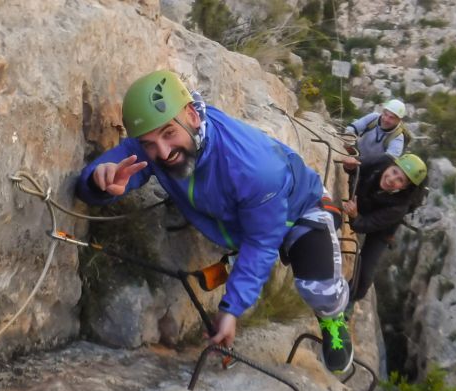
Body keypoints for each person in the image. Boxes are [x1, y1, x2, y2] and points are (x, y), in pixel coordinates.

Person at [75, 70, 353, 373]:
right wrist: (98, 183)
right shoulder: (156, 146)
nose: (163, 152)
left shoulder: (255, 167)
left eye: (169, 134)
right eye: (149, 143)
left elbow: (260, 242)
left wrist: (232, 308)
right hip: (242, 217)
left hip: (298, 209)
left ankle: (334, 318)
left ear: (193, 116)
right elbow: (118, 166)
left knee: (317, 288)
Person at [339, 153, 427, 306]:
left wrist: (355, 216)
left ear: (405, 187)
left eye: (400, 180)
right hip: (365, 202)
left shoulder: (399, 207)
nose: (392, 179)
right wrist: (350, 167)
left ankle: (350, 300)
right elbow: (358, 167)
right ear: (391, 165)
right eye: (394, 171)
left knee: (365, 271)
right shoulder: (381, 161)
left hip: (382, 228)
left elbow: (363, 225)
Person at [342, 99, 408, 168]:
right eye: (385, 114)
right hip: (355, 153)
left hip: (373, 167)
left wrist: (359, 160)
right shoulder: (374, 118)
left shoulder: (398, 137)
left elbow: (388, 159)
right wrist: (348, 139)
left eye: (391, 118)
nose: (386, 119)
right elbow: (354, 127)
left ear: (398, 121)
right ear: (382, 112)